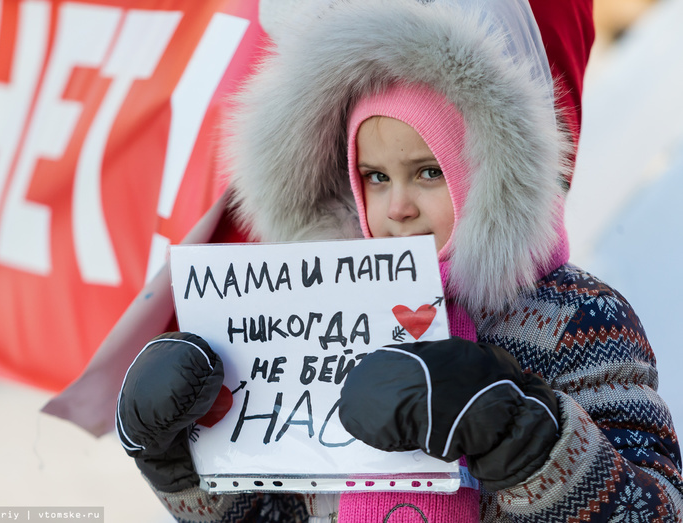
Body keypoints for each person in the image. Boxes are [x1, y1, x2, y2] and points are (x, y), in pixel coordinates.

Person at [115, 0, 683, 521]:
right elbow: (271, 515)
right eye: (376, 177)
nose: (399, 206)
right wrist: (179, 465)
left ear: (488, 166)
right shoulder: (319, 319)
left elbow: (656, 510)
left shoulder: (576, 318)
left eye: (428, 171)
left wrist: (520, 438)